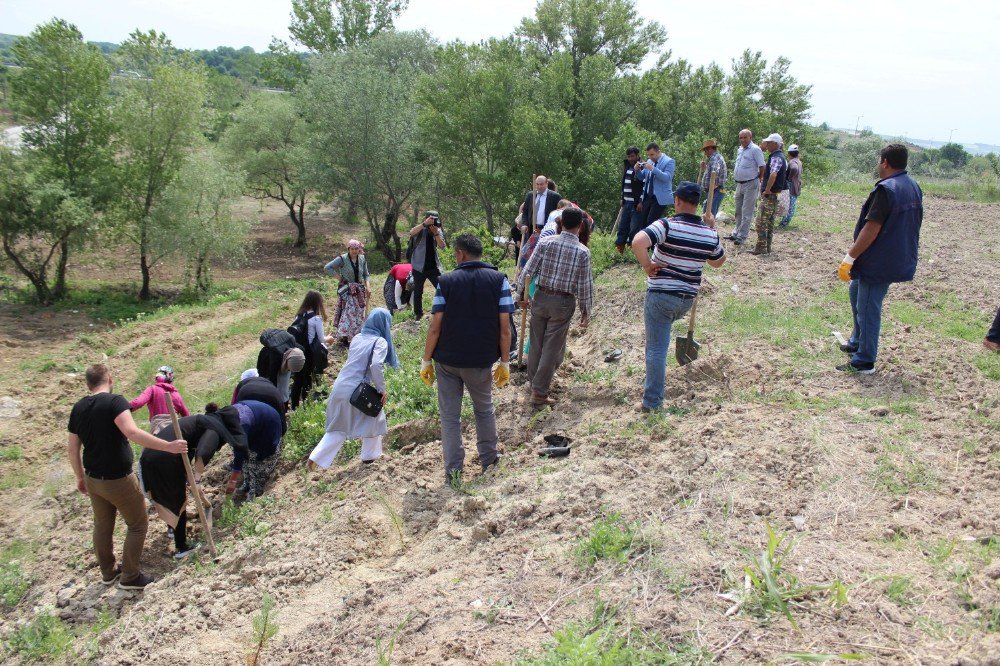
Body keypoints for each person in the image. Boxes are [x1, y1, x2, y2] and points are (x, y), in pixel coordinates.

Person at [67, 364, 187, 590]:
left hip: (93, 478)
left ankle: (108, 573)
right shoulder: (115, 402)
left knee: (102, 526)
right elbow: (132, 432)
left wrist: (79, 476)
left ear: (88, 384)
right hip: (118, 478)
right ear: (110, 379)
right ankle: (130, 576)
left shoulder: (78, 407)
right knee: (138, 524)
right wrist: (168, 446)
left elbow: (72, 449)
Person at [420, 234, 514, 485]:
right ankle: (489, 460)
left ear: (460, 254)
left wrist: (426, 360)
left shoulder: (446, 281)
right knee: (484, 410)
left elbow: (435, 327)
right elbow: (505, 329)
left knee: (450, 417)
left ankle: (453, 472)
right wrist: (505, 362)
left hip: (448, 361)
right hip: (480, 361)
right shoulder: (499, 280)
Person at [631, 182, 726, 412]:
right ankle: (653, 396)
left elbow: (638, 242)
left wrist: (647, 265)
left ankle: (652, 403)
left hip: (662, 295)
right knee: (659, 345)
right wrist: (712, 229)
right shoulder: (708, 233)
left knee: (656, 349)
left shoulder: (667, 225)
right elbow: (718, 261)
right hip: (686, 299)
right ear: (697, 204)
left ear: (677, 201)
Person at [837, 144, 923, 374]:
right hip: (894, 255)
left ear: (885, 162)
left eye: (879, 161)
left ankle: (864, 360)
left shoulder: (887, 190)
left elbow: (871, 228)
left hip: (880, 260)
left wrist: (850, 257)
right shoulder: (912, 185)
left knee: (868, 307)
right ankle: (857, 340)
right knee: (856, 292)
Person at [143, 404, 246, 558]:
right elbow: (203, 452)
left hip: (151, 455)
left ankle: (172, 528)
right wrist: (196, 481)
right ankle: (181, 547)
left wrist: (190, 479)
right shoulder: (213, 428)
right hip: (165, 458)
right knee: (178, 499)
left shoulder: (202, 421)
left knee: (172, 496)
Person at [516, 208, 593, 409]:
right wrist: (586, 311)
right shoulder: (583, 252)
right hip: (563, 302)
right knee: (552, 348)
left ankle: (534, 384)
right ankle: (539, 392)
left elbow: (528, 271)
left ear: (561, 222)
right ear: (580, 226)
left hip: (541, 296)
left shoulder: (545, 242)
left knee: (536, 344)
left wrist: (520, 295)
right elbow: (584, 285)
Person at [308, 309, 400, 469]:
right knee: (376, 414)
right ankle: (370, 456)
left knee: (339, 425)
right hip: (356, 388)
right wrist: (381, 389)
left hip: (339, 385)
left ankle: (316, 457)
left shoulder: (357, 337)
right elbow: (376, 365)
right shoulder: (380, 342)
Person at [289, 291, 334, 410]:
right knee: (308, 379)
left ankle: (294, 406)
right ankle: (307, 406)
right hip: (309, 353)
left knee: (297, 380)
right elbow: (321, 339)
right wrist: (329, 338)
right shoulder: (315, 319)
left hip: (298, 352)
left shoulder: (298, 316)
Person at [232, 399, 284, 500]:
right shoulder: (232, 421)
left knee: (258, 465)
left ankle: (255, 490)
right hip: (255, 429)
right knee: (247, 459)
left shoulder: (242, 423)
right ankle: (247, 483)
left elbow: (239, 451)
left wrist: (233, 479)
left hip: (267, 434)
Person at [324, 240, 371, 344]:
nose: (354, 251)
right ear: (348, 249)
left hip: (359, 290)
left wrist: (368, 287)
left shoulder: (362, 259)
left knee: (358, 313)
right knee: (347, 312)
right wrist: (339, 278)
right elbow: (328, 267)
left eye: (356, 249)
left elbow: (366, 274)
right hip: (347, 290)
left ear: (359, 249)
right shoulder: (342, 259)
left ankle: (355, 336)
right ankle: (344, 337)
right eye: (352, 249)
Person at [752, 133, 788, 256]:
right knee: (769, 222)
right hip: (775, 194)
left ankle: (761, 248)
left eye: (768, 143)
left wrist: (767, 190)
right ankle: (766, 247)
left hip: (770, 195)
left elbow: (773, 174)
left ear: (775, 144)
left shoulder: (776, 157)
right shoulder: (780, 157)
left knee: (761, 222)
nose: (766, 145)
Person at [729, 129, 766, 245]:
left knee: (747, 211)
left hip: (751, 183)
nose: (743, 140)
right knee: (738, 210)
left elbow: (762, 166)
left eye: (745, 137)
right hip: (739, 183)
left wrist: (758, 179)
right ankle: (736, 232)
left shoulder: (755, 149)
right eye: (741, 138)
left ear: (750, 137)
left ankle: (742, 236)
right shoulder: (740, 149)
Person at [408, 212, 446, 320]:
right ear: (426, 218)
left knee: (442, 288)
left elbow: (442, 246)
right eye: (431, 218)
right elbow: (411, 232)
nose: (433, 221)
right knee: (418, 291)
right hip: (418, 266)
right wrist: (424, 224)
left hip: (433, 267)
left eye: (435, 219)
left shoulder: (437, 230)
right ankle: (418, 314)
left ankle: (444, 310)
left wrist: (436, 234)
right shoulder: (420, 229)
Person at [129, 366, 189, 433]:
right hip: (177, 428)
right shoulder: (177, 394)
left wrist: (123, 408)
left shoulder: (152, 389)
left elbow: (138, 402)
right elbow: (186, 415)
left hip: (159, 428)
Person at [636, 142, 676, 227]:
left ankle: (653, 240)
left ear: (658, 152)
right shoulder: (649, 161)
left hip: (659, 197)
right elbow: (642, 177)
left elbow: (667, 178)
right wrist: (637, 170)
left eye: (652, 154)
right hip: (648, 196)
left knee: (651, 222)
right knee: (642, 222)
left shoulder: (669, 161)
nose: (650, 157)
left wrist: (653, 169)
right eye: (648, 155)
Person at [615, 147, 644, 253]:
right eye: (629, 156)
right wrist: (622, 197)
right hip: (626, 202)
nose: (630, 158)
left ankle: (633, 249)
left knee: (634, 228)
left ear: (637, 155)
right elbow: (624, 183)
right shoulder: (627, 166)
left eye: (632, 156)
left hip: (636, 203)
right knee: (623, 226)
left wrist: (640, 201)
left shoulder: (642, 167)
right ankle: (619, 249)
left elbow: (644, 186)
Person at [520, 176, 561, 249]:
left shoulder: (555, 197)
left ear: (546, 183)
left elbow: (559, 213)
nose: (539, 186)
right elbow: (525, 212)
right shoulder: (530, 195)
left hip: (546, 230)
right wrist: (524, 224)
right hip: (531, 229)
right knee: (527, 254)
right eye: (537, 184)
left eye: (541, 184)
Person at [699, 139, 727, 216]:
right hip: (714, 190)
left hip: (716, 190)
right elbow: (713, 172)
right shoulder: (714, 158)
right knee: (707, 210)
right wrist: (705, 167)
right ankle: (707, 227)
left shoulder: (715, 158)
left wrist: (712, 188)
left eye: (706, 150)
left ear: (710, 149)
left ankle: (709, 227)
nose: (705, 152)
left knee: (709, 214)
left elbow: (715, 173)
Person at [780, 144, 803, 227]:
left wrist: (789, 178)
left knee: (789, 205)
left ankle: (784, 222)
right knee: (791, 204)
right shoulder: (798, 161)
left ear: (789, 153)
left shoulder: (793, 162)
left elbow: (794, 169)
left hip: (791, 186)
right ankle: (785, 221)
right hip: (796, 186)